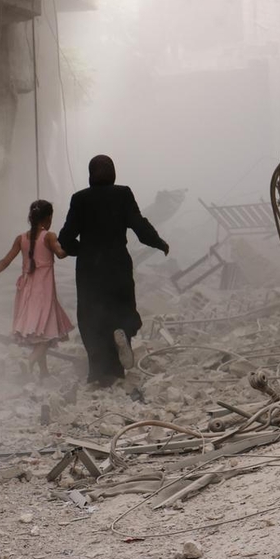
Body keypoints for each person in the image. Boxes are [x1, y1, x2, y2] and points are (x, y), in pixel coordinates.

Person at [58, 155, 169, 386]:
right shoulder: (123, 194)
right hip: (117, 263)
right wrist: (159, 243)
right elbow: (139, 226)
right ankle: (121, 342)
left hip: (90, 269)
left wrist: (82, 250)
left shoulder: (80, 199)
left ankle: (100, 372)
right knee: (121, 309)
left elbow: (65, 237)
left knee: (92, 318)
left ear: (91, 174)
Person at [0, 200, 74, 380]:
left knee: (40, 331)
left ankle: (44, 373)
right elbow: (61, 253)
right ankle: (30, 361)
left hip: (26, 291)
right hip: (44, 292)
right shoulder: (49, 237)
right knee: (48, 332)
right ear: (48, 218)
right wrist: (74, 242)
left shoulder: (21, 239)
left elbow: (5, 262)